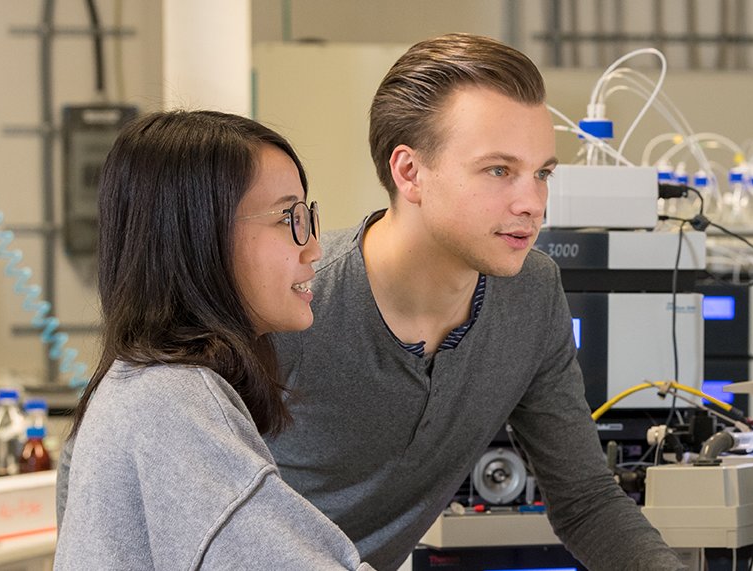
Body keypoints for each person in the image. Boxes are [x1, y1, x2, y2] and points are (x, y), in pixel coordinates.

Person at [265, 33, 685, 570]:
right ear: (409, 172)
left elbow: (587, 501)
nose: (532, 204)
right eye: (498, 171)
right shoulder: (292, 303)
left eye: (542, 174)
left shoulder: (532, 294)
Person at [55, 110, 372, 570]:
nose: (314, 248)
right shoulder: (173, 401)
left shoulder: (143, 385)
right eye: (289, 218)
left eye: (308, 216)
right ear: (200, 234)